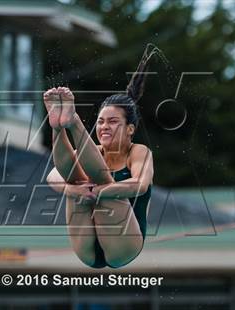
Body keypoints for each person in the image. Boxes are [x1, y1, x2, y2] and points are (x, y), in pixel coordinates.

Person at [44, 45, 154, 268]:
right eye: (101, 122)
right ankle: (58, 128)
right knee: (74, 180)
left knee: (104, 184)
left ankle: (73, 122)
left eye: (113, 122)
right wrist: (75, 190)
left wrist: (98, 191)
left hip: (124, 246)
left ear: (130, 129)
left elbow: (140, 185)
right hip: (86, 247)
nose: (104, 127)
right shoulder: (91, 153)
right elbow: (52, 177)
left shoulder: (138, 151)